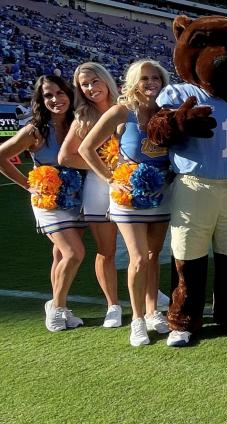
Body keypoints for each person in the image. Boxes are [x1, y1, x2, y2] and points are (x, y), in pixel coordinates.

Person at [79, 60, 173, 346]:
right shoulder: (122, 111)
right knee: (138, 257)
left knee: (155, 256)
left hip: (161, 193)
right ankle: (137, 320)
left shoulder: (167, 113)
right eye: (145, 78)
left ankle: (153, 310)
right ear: (134, 81)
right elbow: (86, 149)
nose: (151, 82)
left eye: (156, 77)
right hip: (128, 194)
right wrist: (110, 179)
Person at [0, 75, 86, 331]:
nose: (55, 99)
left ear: (69, 95)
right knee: (74, 253)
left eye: (60, 93)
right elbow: (2, 157)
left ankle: (61, 306)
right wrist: (28, 184)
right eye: (48, 95)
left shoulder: (79, 124)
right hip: (48, 201)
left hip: (75, 198)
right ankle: (56, 307)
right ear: (40, 100)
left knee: (60, 254)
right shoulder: (35, 131)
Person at [58, 62, 123, 328]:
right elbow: (66, 156)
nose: (90, 88)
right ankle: (113, 306)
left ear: (106, 79)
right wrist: (107, 166)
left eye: (95, 81)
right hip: (99, 189)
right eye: (84, 85)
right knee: (106, 251)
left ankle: (150, 297)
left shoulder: (127, 107)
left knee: (142, 250)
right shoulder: (83, 118)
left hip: (132, 185)